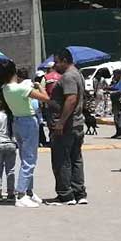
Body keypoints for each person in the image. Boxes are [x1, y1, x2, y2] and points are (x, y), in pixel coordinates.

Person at [0, 60, 51, 208]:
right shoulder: (20, 89)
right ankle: (21, 194)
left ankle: (28, 191)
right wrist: (39, 86)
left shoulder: (5, 88)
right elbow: (46, 98)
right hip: (28, 121)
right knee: (30, 159)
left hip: (17, 122)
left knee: (25, 158)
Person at [46, 48, 88, 206]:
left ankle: (66, 194)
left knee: (61, 160)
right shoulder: (77, 74)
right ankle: (79, 193)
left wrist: (60, 123)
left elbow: (71, 99)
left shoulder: (69, 76)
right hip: (76, 124)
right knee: (75, 158)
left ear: (64, 60)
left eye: (57, 61)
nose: (55, 65)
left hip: (66, 127)